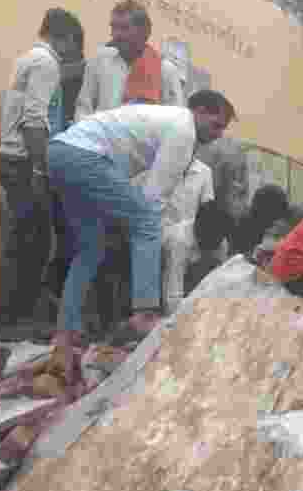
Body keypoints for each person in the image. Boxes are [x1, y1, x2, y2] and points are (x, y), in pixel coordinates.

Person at [47, 91, 236, 380]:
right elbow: (153, 199)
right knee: (147, 220)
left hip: (60, 152)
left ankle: (63, 334)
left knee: (91, 249)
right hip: (85, 156)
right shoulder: (183, 130)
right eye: (216, 125)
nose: (217, 134)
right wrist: (150, 242)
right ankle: (144, 314)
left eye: (222, 129)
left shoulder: (165, 120)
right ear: (198, 110)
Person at [0, 8, 86, 339]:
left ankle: (9, 317)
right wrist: (40, 167)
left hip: (13, 159)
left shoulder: (29, 59)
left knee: (22, 240)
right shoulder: (46, 64)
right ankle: (15, 321)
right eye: (76, 47)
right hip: (25, 162)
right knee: (33, 242)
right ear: (69, 40)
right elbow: (35, 119)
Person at [75, 0, 187, 117]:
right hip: (99, 134)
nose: (116, 34)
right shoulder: (99, 60)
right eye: (114, 28)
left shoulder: (166, 71)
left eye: (124, 28)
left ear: (144, 32)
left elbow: (174, 118)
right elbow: (83, 107)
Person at [132, 158, 214, 312]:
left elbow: (207, 209)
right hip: (153, 237)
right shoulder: (157, 165)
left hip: (191, 237)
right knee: (171, 283)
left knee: (176, 279)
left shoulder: (204, 172)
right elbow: (137, 193)